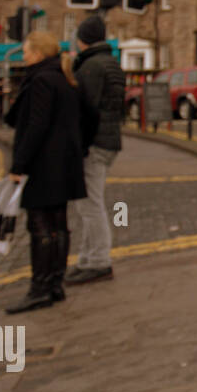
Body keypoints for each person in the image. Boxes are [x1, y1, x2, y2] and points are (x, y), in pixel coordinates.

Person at [4, 32, 88, 314]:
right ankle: (55, 284)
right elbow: (88, 118)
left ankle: (40, 288)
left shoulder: (41, 80)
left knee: (40, 226)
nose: (24, 57)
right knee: (58, 224)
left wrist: (19, 165)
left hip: (44, 165)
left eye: (26, 52)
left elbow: (35, 126)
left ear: (39, 53)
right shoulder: (65, 78)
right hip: (64, 164)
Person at [66, 15, 125, 284]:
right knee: (88, 203)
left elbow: (84, 110)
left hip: (95, 143)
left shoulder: (91, 67)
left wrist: (79, 144)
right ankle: (88, 259)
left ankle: (99, 261)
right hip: (109, 140)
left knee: (90, 205)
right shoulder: (112, 64)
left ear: (82, 39)